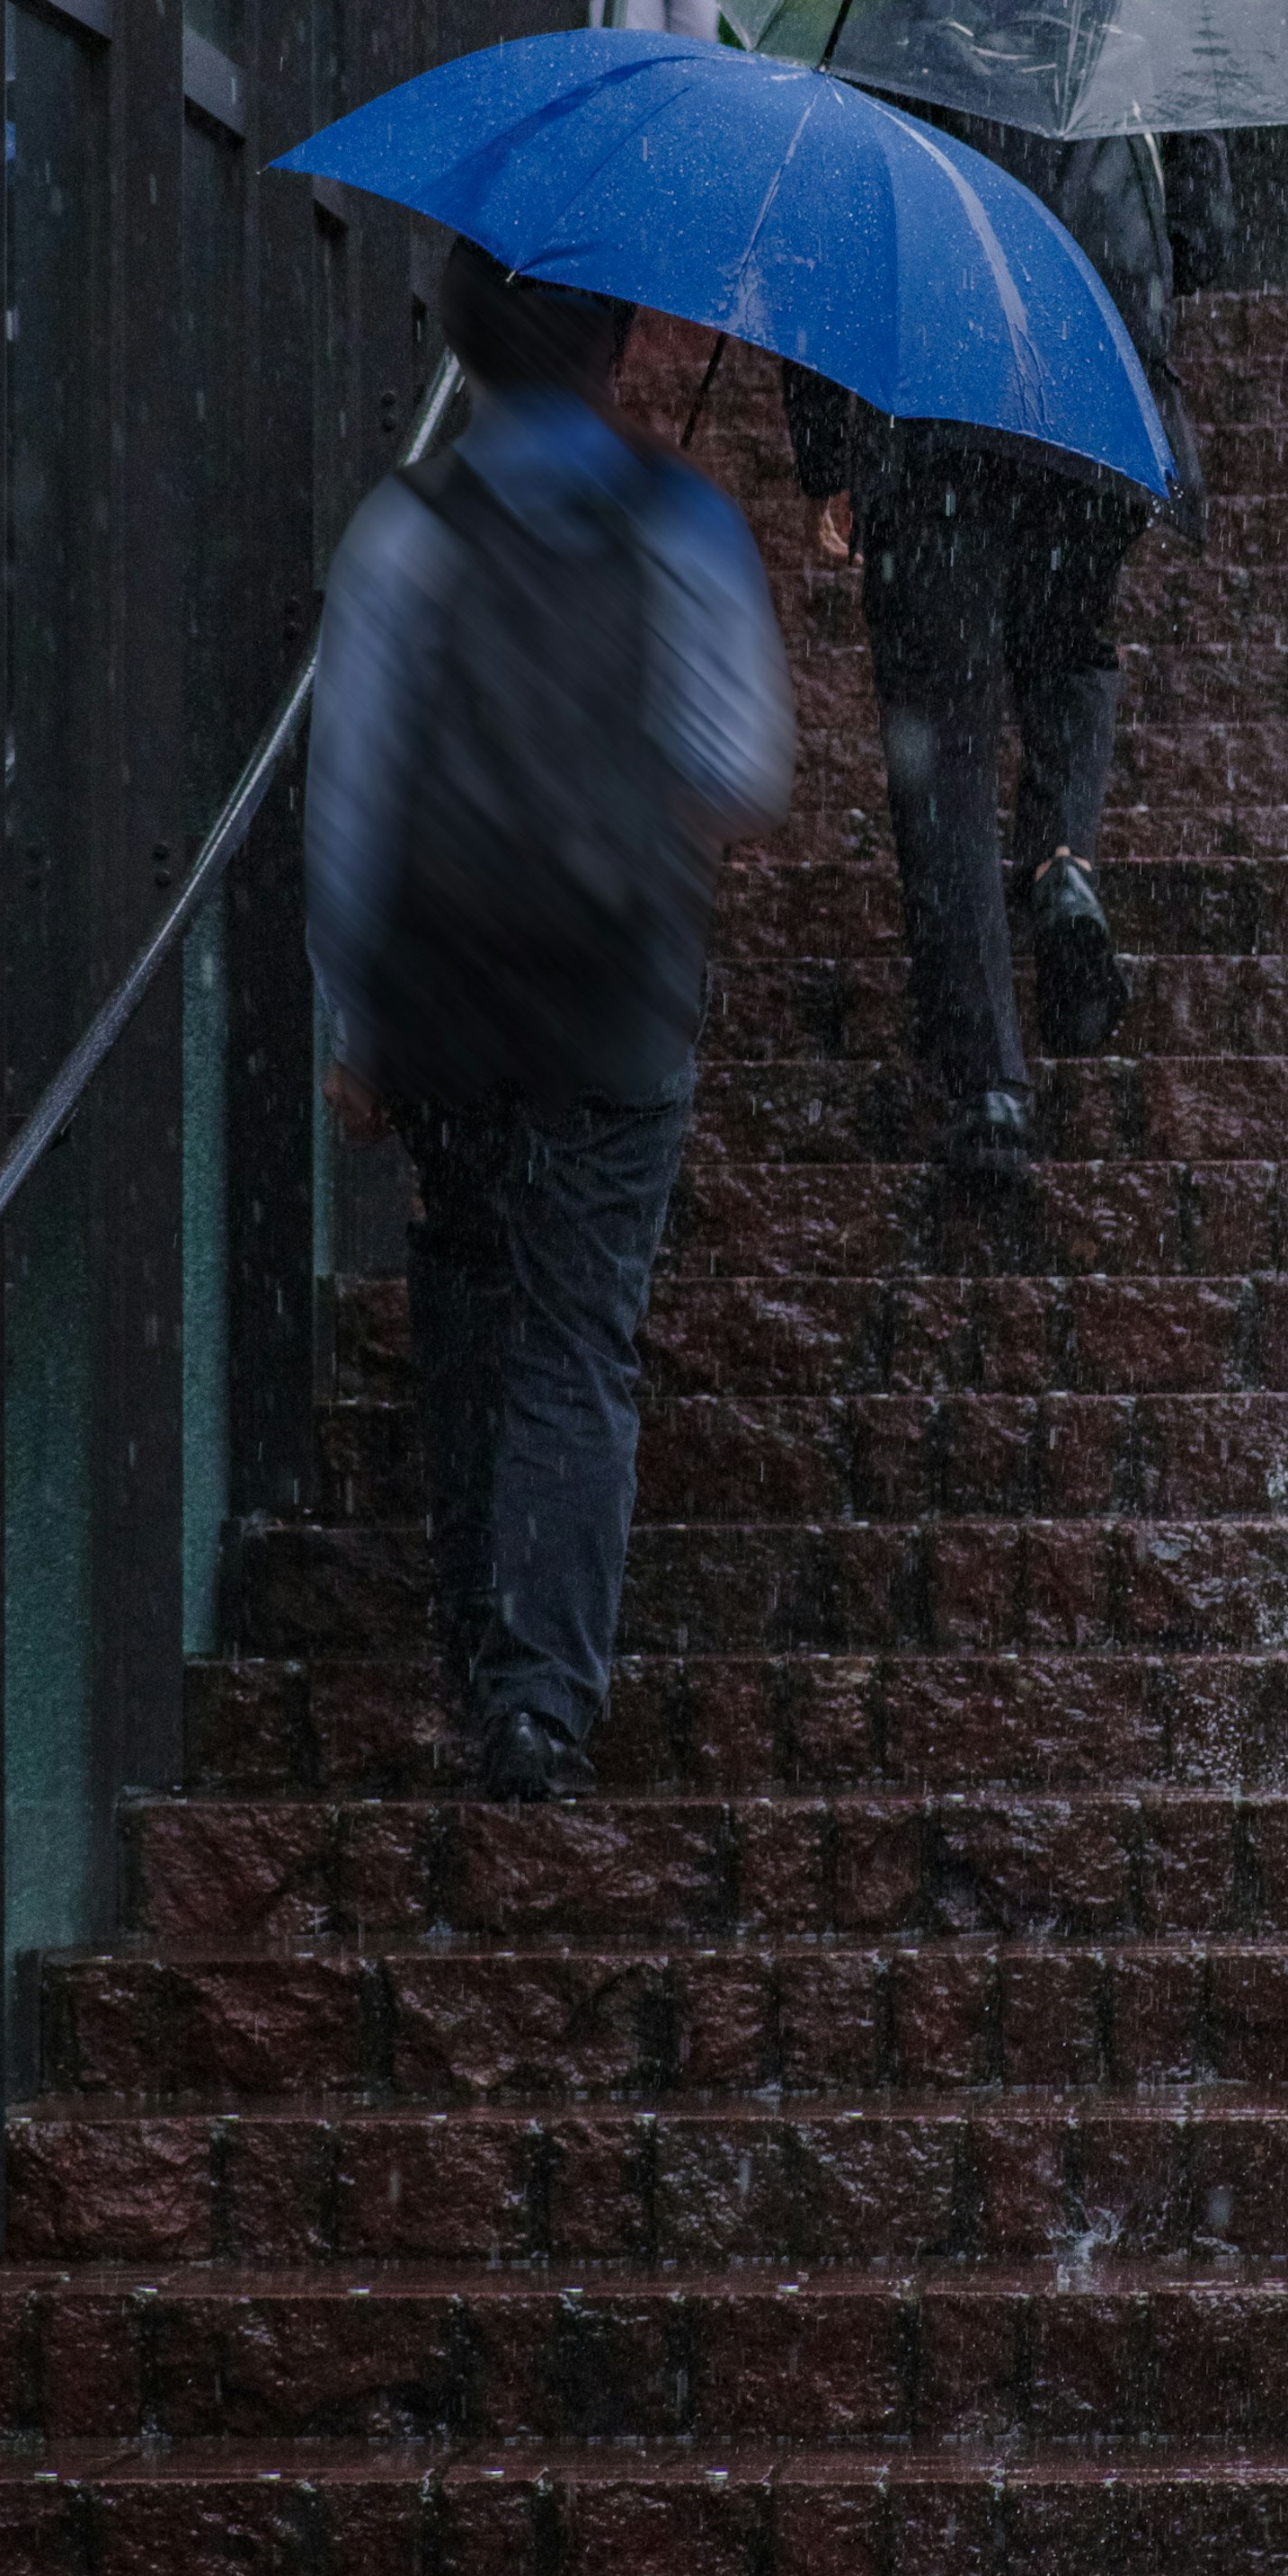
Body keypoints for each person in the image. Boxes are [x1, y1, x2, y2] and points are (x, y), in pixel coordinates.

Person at [306, 237, 795, 1797]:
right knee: (578, 1330)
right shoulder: (682, 521)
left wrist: (357, 1020)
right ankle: (539, 1705)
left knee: (464, 1291)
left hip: (445, 985)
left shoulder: (407, 530)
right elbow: (742, 771)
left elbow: (354, 794)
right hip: (611, 987)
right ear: (623, 338)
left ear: (463, 339)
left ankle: (474, 1628)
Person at [786, 0, 1231, 1183]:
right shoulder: (1133, 45)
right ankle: (1063, 859)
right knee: (1075, 647)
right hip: (1090, 430)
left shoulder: (883, 48)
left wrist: (830, 462)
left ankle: (989, 1093)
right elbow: (1205, 237)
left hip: (932, 441)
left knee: (942, 760)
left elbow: (826, 266)